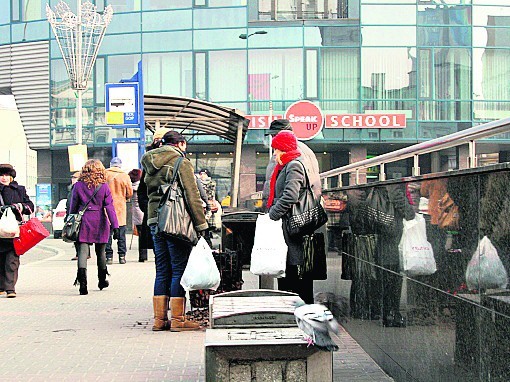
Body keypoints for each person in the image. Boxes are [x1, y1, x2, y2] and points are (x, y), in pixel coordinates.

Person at [141, 130, 208, 332]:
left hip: (155, 221)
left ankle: (159, 320)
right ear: (181, 143)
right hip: (174, 221)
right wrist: (201, 224)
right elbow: (192, 195)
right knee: (178, 268)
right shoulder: (181, 162)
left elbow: (145, 194)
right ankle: (178, 320)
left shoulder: (149, 161)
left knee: (162, 269)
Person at [266, 131, 315, 304]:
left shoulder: (294, 166)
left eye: (276, 150)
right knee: (288, 267)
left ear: (283, 150)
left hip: (293, 224)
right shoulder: (285, 166)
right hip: (288, 223)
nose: (274, 154)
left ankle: (297, 307)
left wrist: (272, 215)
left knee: (293, 267)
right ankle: (290, 306)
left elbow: (290, 195)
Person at [69, 159, 119, 295]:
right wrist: (115, 226)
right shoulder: (104, 187)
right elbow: (110, 207)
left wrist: (71, 219)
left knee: (82, 253)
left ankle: (82, 285)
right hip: (100, 221)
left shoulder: (78, 186)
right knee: (101, 252)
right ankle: (102, 280)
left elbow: (73, 205)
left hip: (84, 220)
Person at [262, 119, 321, 208]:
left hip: (289, 209)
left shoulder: (283, 150)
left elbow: (272, 183)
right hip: (308, 204)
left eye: (274, 135)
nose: (273, 138)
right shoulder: (307, 149)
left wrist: (269, 208)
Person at [0, 164, 34, 298]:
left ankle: (10, 288)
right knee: (1, 260)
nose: (4, 178)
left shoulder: (19, 189)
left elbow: (30, 206)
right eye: (1, 175)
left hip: (15, 230)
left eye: (7, 175)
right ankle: (1, 286)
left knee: (12, 260)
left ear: (11, 177)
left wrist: (19, 207)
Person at [105, 157, 133, 264]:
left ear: (111, 164)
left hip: (107, 208)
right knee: (121, 234)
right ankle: (122, 256)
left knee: (107, 235)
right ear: (120, 165)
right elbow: (129, 192)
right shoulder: (124, 176)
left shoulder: (105, 174)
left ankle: (109, 257)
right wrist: (124, 197)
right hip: (120, 208)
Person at [67, 171, 90, 261]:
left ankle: (82, 254)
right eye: (72, 178)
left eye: (75, 177)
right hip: (72, 214)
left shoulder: (79, 188)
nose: (73, 179)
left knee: (77, 234)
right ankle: (82, 253)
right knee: (75, 234)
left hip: (78, 215)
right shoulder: (72, 188)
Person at [128, 169, 147, 262]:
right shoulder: (143, 186)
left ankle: (142, 256)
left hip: (136, 212)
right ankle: (147, 255)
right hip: (145, 211)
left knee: (141, 234)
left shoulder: (131, 188)